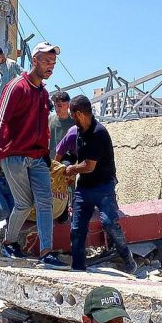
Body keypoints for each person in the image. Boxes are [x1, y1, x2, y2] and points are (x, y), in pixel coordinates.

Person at [0, 41, 68, 270]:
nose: (50, 66)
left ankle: (47, 252)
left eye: (53, 63)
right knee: (24, 203)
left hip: (37, 157)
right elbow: (1, 119)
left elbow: (43, 126)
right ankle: (9, 242)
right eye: (46, 61)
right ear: (35, 60)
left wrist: (46, 154)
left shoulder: (44, 93)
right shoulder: (16, 86)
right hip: (15, 156)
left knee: (45, 202)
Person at [63, 95, 135, 273]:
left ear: (79, 114)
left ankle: (127, 257)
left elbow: (88, 166)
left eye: (72, 114)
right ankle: (78, 267)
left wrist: (71, 170)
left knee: (109, 222)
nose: (71, 118)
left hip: (103, 187)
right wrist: (65, 164)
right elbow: (74, 155)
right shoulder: (80, 131)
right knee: (77, 228)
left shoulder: (98, 133)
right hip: (84, 187)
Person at [49, 91, 75, 158]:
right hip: (51, 160)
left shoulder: (75, 122)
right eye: (55, 106)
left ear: (68, 105)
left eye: (59, 105)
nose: (56, 108)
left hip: (68, 160)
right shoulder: (50, 120)